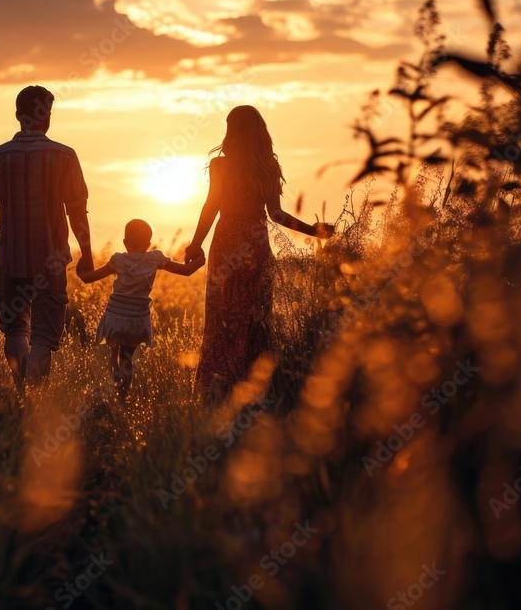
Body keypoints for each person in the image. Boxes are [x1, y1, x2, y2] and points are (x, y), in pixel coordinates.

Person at [184, 105, 334, 403]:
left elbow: (211, 206)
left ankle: (217, 389)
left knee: (223, 315)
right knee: (256, 315)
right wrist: (313, 230)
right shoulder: (267, 166)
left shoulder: (220, 165)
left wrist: (196, 243)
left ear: (232, 131)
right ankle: (255, 387)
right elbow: (276, 215)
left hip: (226, 243)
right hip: (256, 244)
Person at [0, 85, 94, 392]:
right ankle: (35, 399)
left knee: (15, 330)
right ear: (47, 117)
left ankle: (20, 391)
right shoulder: (65, 156)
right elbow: (77, 212)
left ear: (18, 116)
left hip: (8, 258)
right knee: (42, 335)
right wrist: (87, 254)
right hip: (51, 261)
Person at [78, 219, 204, 401]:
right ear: (148, 243)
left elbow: (89, 278)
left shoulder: (118, 260)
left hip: (115, 318)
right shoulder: (154, 259)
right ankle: (124, 395)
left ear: (124, 242)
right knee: (127, 357)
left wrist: (81, 271)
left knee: (114, 354)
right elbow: (186, 270)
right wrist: (200, 258)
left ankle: (114, 387)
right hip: (138, 320)